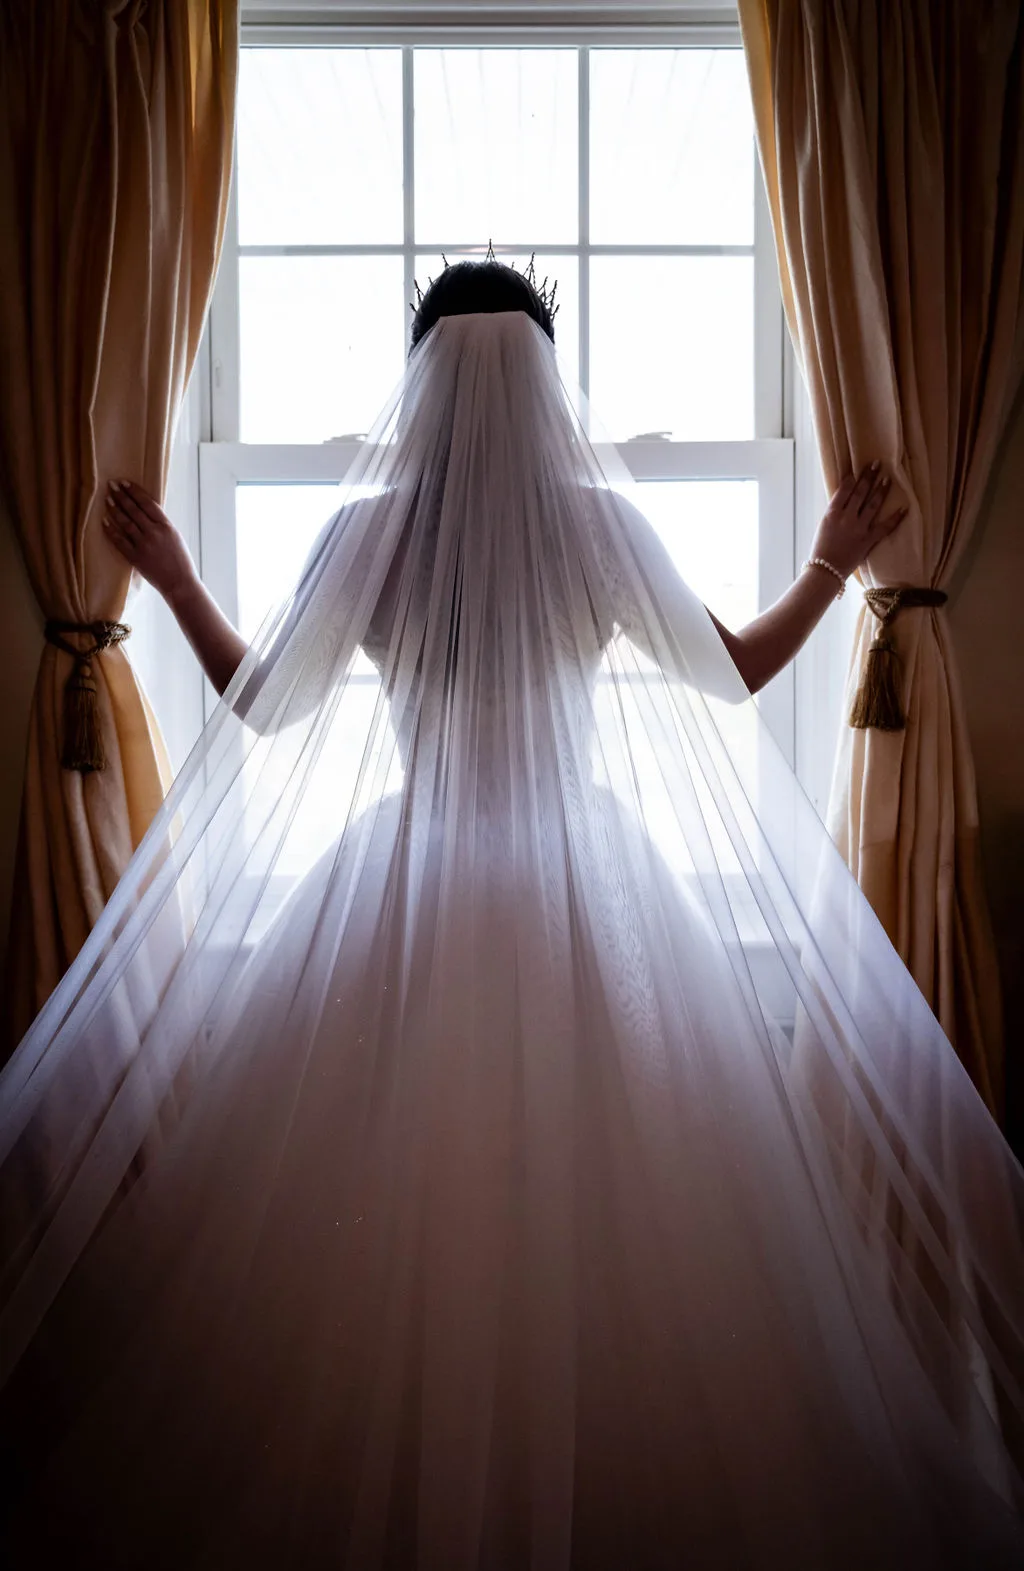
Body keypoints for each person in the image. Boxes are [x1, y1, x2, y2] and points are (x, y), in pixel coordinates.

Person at [1, 260, 1022, 1569]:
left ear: (417, 378)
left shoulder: (370, 533)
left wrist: (178, 577)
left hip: (412, 883)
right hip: (577, 887)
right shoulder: (592, 526)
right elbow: (736, 673)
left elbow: (261, 706)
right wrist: (830, 567)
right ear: (551, 375)